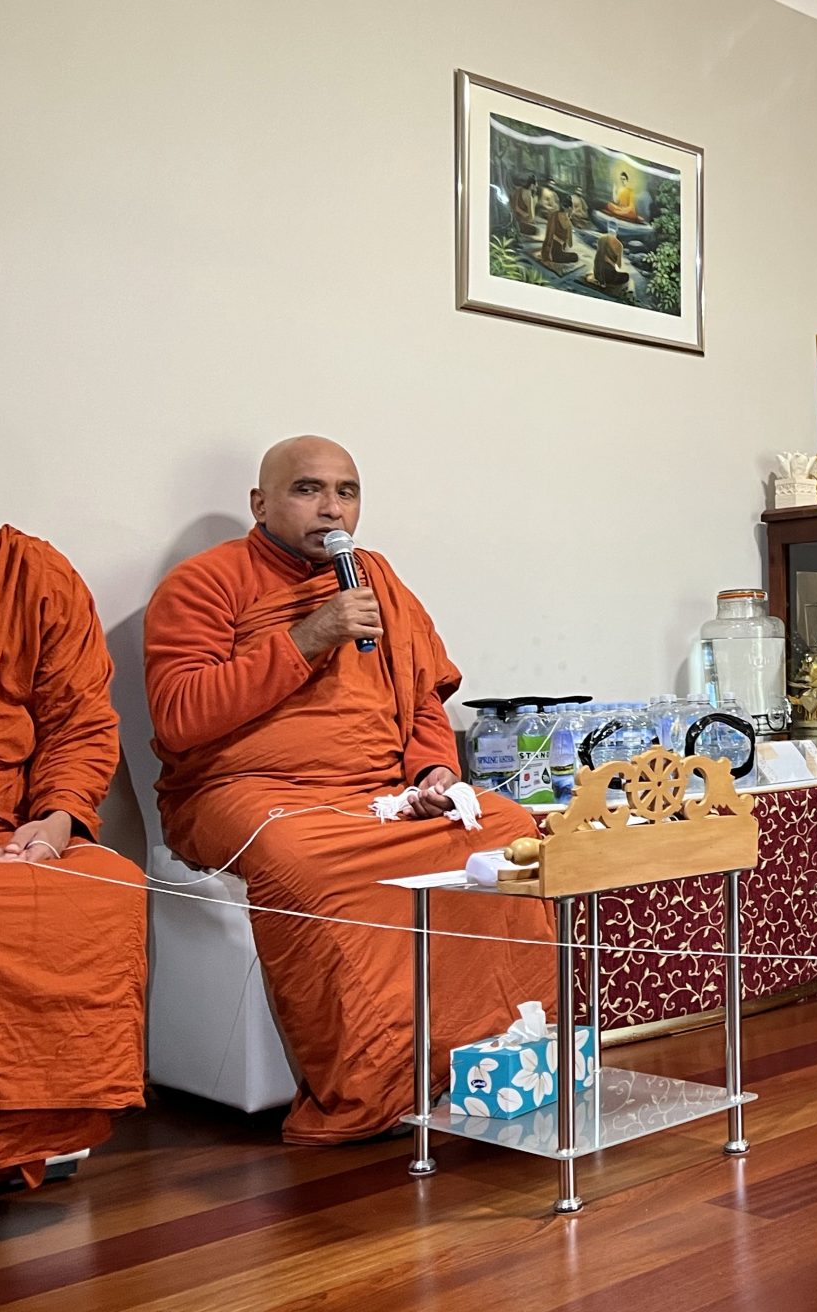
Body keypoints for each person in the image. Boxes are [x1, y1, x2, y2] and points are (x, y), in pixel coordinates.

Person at [144, 436, 554, 1145]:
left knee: (504, 827)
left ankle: (505, 1056)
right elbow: (180, 716)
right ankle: (377, 1086)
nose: (332, 508)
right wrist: (306, 639)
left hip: (379, 792)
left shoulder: (375, 579)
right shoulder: (205, 583)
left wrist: (434, 773)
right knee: (301, 857)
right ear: (260, 503)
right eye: (308, 489)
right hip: (246, 794)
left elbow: (421, 699)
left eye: (347, 491)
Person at [0, 462, 146, 1190]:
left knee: (106, 885)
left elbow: (81, 721)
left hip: (13, 828)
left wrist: (53, 823)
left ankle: (27, 1138)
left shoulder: (32, 573)